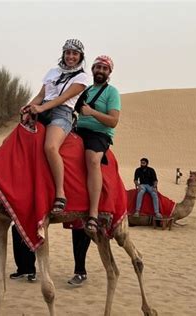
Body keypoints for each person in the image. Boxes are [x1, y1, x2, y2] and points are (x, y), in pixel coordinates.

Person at [23, 39, 89, 214]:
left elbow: (64, 98)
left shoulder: (82, 77)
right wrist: (28, 107)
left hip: (62, 113)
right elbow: (41, 95)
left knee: (50, 147)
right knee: (15, 138)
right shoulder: (53, 72)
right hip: (42, 110)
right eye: (68, 52)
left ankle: (60, 193)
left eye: (75, 53)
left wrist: (42, 107)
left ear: (80, 56)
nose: (71, 56)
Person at [74, 55, 121, 234]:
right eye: (98, 67)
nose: (100, 71)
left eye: (104, 68)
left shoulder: (112, 92)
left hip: (99, 134)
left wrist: (92, 112)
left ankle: (93, 212)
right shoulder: (85, 90)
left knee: (93, 160)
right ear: (93, 69)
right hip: (79, 130)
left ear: (109, 72)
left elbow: (113, 121)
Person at [64, 220, 91, 286]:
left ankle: (80, 273)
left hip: (88, 220)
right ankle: (81, 273)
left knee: (81, 247)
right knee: (76, 246)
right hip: (77, 219)